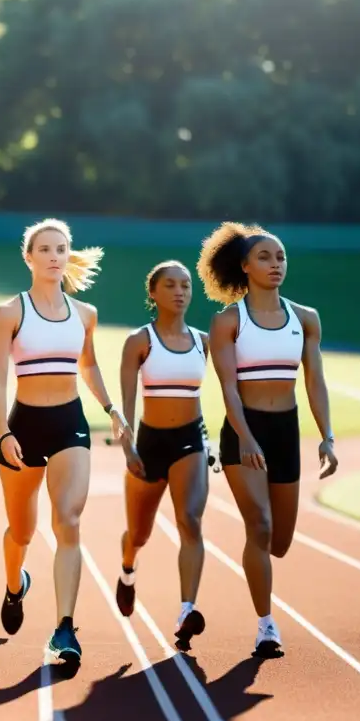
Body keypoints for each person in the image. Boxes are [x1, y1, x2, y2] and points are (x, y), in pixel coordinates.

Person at [0, 218, 130, 665]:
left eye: (61, 249)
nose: (53, 256)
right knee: (22, 531)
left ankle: (64, 629)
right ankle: (15, 585)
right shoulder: (10, 313)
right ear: (28, 256)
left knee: (67, 521)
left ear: (68, 257)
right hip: (23, 427)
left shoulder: (85, 314)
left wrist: (111, 407)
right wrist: (4, 432)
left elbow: (88, 366)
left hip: (70, 423)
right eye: (44, 249)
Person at [197, 221, 339, 659]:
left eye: (280, 257)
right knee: (258, 525)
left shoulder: (306, 319)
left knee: (280, 541)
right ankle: (266, 626)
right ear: (244, 266)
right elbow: (228, 389)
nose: (275, 264)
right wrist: (245, 437)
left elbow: (315, 381)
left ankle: (260, 581)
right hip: (244, 433)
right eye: (264, 257)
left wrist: (327, 437)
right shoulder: (227, 322)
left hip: (285, 432)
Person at [114, 260, 211, 651]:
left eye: (186, 285)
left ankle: (187, 609)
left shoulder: (204, 341)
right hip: (149, 443)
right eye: (170, 285)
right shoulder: (140, 340)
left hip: (191, 439)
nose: (180, 291)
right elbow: (125, 401)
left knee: (189, 520)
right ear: (153, 293)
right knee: (138, 534)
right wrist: (127, 444)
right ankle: (127, 570)